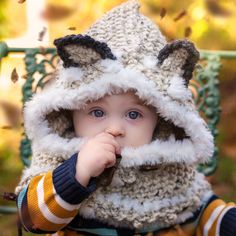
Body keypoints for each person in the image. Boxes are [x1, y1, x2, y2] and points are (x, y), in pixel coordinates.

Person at [15, 1, 236, 235]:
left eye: (133, 114)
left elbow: (203, 211)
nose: (114, 128)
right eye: (97, 112)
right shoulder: (60, 158)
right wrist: (76, 173)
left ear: (162, 119)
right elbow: (32, 220)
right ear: (70, 111)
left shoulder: (171, 167)